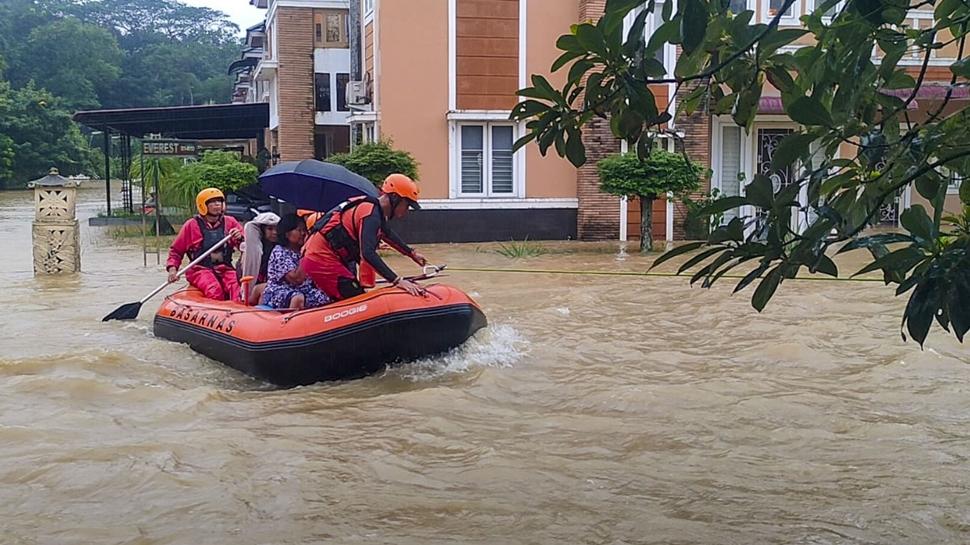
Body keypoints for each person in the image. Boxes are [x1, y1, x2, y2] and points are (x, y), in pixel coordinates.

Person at [301, 173, 428, 301]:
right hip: (320, 259)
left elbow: (388, 234)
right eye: (406, 205)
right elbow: (367, 253)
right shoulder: (370, 214)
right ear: (394, 197)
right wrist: (397, 281)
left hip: (325, 258)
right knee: (355, 300)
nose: (406, 211)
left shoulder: (375, 211)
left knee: (355, 295)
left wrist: (412, 253)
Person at [166, 188, 243, 301]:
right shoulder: (191, 225)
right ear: (203, 205)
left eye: (219, 201)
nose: (217, 204)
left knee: (238, 289)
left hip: (225, 268)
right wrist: (173, 269)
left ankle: (237, 313)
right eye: (212, 202)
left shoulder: (230, 222)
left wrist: (240, 237)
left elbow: (245, 245)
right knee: (215, 291)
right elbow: (176, 251)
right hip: (199, 269)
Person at [260, 214, 331, 310]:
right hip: (280, 292)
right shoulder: (279, 251)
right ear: (287, 234)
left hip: (304, 290)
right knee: (297, 298)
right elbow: (296, 279)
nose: (303, 234)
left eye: (304, 230)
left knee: (327, 296)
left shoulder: (300, 250)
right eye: (299, 230)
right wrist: (307, 252)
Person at [238, 212, 281, 305]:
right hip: (254, 288)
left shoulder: (281, 249)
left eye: (276, 229)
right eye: (270, 229)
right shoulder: (249, 250)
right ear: (262, 230)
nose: (274, 232)